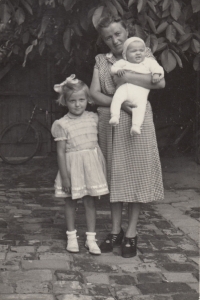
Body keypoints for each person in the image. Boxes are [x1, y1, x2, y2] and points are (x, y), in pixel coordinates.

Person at [90, 16, 165, 258]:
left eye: (118, 34)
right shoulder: (102, 61)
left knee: (137, 175)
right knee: (115, 176)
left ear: (127, 31)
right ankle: (115, 231)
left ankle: (131, 232)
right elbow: (93, 94)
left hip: (138, 121)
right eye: (108, 37)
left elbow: (160, 82)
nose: (114, 40)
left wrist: (126, 78)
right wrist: (118, 103)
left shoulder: (140, 52)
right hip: (111, 121)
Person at [51, 74, 109, 255]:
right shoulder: (62, 124)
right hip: (72, 167)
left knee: (90, 201)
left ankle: (91, 239)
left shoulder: (93, 118)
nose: (77, 104)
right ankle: (71, 237)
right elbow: (60, 152)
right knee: (70, 201)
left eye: (82, 100)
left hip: (90, 167)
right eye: (72, 101)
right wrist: (65, 177)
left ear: (88, 100)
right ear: (65, 101)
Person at [110, 37, 164, 135]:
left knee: (140, 107)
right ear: (125, 54)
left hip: (141, 91)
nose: (138, 53)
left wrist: (156, 74)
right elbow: (113, 68)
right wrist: (117, 70)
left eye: (141, 50)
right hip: (125, 88)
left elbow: (158, 68)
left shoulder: (148, 62)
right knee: (117, 98)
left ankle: (136, 126)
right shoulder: (123, 62)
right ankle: (114, 116)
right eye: (133, 51)